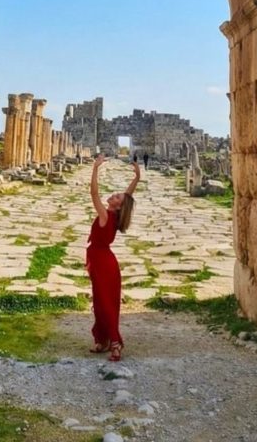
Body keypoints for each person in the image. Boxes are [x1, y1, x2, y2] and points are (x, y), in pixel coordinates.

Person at [86, 154, 140, 362]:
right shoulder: (116, 215)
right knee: (101, 302)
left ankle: (115, 343)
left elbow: (93, 194)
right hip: (104, 261)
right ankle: (104, 340)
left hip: (102, 262)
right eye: (117, 194)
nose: (114, 196)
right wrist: (136, 178)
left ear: (117, 205)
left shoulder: (106, 215)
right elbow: (128, 197)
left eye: (117, 196)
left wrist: (95, 168)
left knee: (106, 303)